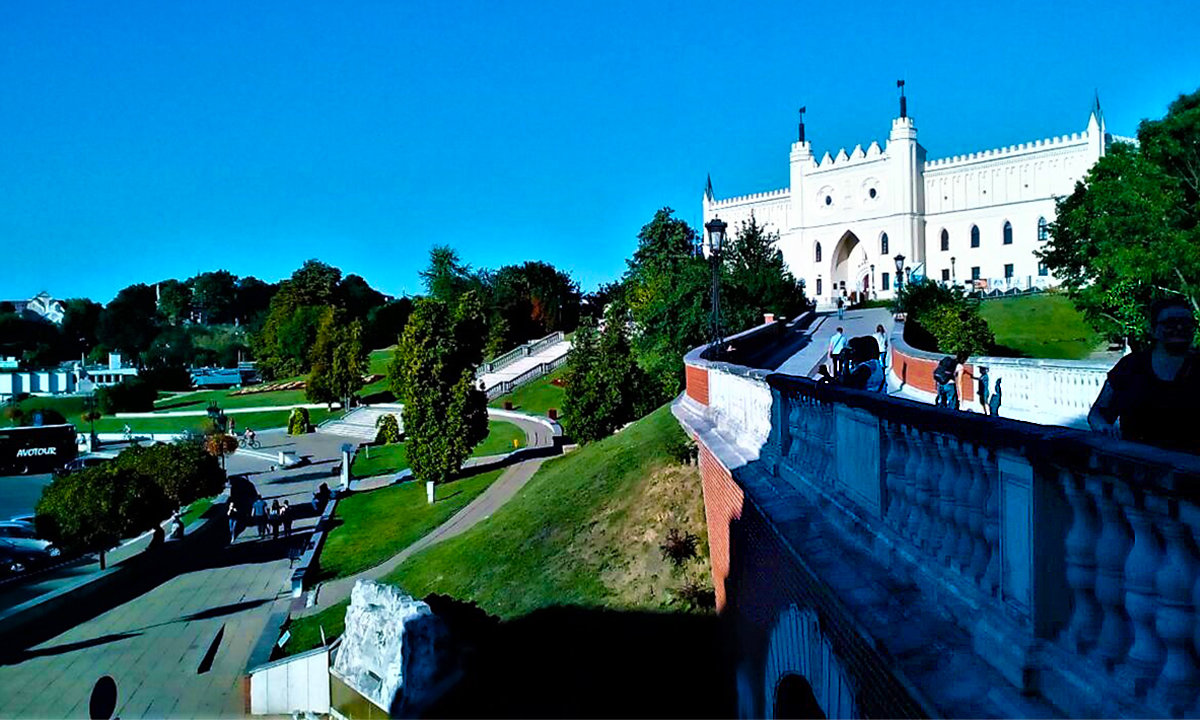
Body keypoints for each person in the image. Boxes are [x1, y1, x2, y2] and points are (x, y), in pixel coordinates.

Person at [1088, 297, 1200, 452]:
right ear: (1153, 329)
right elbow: (1098, 411)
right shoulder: (1131, 366)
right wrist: (1103, 428)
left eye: (1186, 322)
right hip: (1137, 465)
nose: (1179, 327)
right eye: (1170, 323)